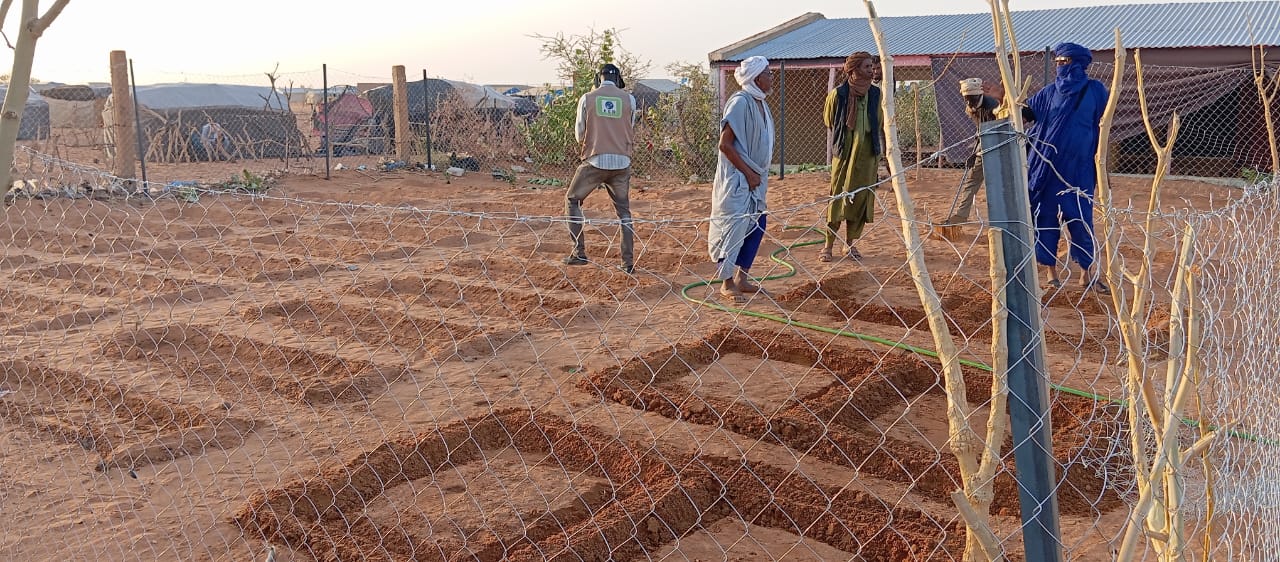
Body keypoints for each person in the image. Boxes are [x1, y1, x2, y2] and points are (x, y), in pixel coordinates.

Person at [1025, 42, 1110, 294]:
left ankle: (1086, 273)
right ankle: (1050, 272)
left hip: (1080, 168)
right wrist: (1001, 98)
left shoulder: (1096, 91)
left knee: (1081, 218)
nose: (1061, 66)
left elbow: (1103, 123)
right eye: (1058, 62)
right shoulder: (1048, 93)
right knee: (1045, 217)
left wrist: (1101, 164)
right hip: (1047, 169)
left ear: (1079, 63)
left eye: (1066, 62)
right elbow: (1027, 114)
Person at [709, 56, 774, 303]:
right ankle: (726, 282)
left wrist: (756, 174)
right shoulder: (740, 102)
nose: (771, 77)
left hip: (756, 178)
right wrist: (748, 173)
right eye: (768, 73)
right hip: (738, 179)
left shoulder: (761, 104)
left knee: (757, 224)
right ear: (756, 78)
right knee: (733, 228)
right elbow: (725, 145)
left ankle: (742, 278)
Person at [562, 63, 638, 274]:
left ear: (598, 78)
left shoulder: (587, 98)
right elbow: (629, 127)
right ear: (618, 79)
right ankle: (627, 262)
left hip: (594, 161)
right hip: (622, 162)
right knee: (624, 212)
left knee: (572, 200)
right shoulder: (629, 99)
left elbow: (579, 133)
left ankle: (579, 253)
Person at [819, 52, 882, 262]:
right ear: (853, 70)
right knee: (838, 197)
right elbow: (829, 121)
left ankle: (850, 245)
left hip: (868, 156)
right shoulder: (838, 95)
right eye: (866, 67)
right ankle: (828, 246)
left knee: (860, 198)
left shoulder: (876, 94)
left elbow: (879, 122)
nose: (871, 70)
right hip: (844, 155)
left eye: (872, 66)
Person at [944, 77, 1001, 225]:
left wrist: (978, 151)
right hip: (983, 148)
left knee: (996, 185)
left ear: (979, 95)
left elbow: (995, 132)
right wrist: (974, 152)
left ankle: (1000, 219)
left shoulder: (994, 107)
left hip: (999, 150)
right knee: (972, 181)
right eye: (966, 99)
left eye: (972, 99)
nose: (969, 103)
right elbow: (980, 132)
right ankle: (961, 215)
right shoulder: (970, 108)